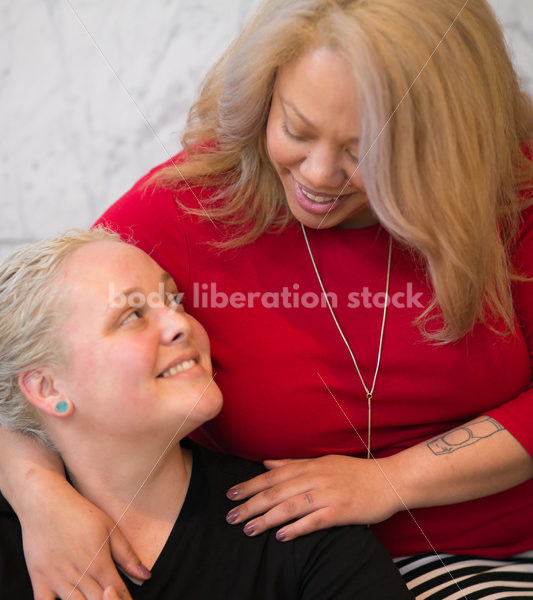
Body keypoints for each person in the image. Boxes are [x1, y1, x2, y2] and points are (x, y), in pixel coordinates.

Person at [0, 0, 532, 599]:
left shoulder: (512, 195)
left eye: (365, 151)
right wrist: (36, 495)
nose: (319, 175)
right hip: (278, 558)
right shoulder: (188, 203)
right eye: (297, 130)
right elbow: (32, 353)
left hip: (494, 551)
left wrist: (391, 480)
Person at [0, 229, 413, 600]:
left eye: (173, 300)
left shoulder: (297, 526)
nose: (181, 324)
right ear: (47, 388)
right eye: (133, 316)